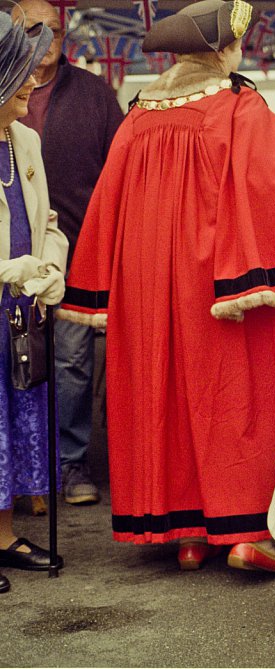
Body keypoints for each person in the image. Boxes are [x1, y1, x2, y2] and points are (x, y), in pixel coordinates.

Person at [59, 0, 275, 573]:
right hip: (219, 280)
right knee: (232, 392)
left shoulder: (139, 114)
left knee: (170, 394)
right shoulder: (237, 104)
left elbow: (108, 203)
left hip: (152, 284)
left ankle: (187, 535)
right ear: (223, 50)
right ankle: (244, 532)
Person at [17, 0, 122, 506]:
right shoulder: (4, 91)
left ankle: (71, 460)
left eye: (55, 29)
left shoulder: (95, 95)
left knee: (73, 362)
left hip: (81, 248)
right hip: (10, 252)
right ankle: (22, 469)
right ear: (13, 32)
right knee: (12, 358)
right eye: (35, 28)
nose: (48, 37)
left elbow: (121, 173)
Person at [0, 11, 66, 595]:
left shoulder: (26, 139)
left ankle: (2, 539)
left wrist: (51, 267)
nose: (31, 82)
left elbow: (45, 219)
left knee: (15, 422)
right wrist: (8, 269)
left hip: (20, 311)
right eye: (21, 72)